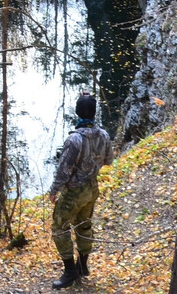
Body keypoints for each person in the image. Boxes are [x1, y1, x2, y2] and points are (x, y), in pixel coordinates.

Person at [49, 92, 113, 288]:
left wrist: (54, 190)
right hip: (92, 188)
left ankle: (70, 272)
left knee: (59, 228)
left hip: (74, 192)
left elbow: (63, 171)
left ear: (77, 112)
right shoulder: (104, 135)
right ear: (94, 113)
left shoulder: (74, 140)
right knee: (84, 225)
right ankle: (83, 265)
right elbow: (109, 160)